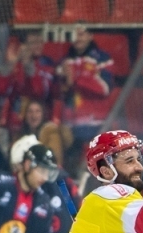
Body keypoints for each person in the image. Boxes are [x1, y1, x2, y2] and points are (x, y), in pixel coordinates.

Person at [59, 25, 113, 173]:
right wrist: (65, 83)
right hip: (70, 124)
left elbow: (105, 88)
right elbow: (58, 91)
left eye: (81, 34)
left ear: (90, 36)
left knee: (94, 169)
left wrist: (75, 80)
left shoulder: (102, 58)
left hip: (95, 122)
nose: (77, 38)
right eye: (74, 34)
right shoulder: (65, 60)